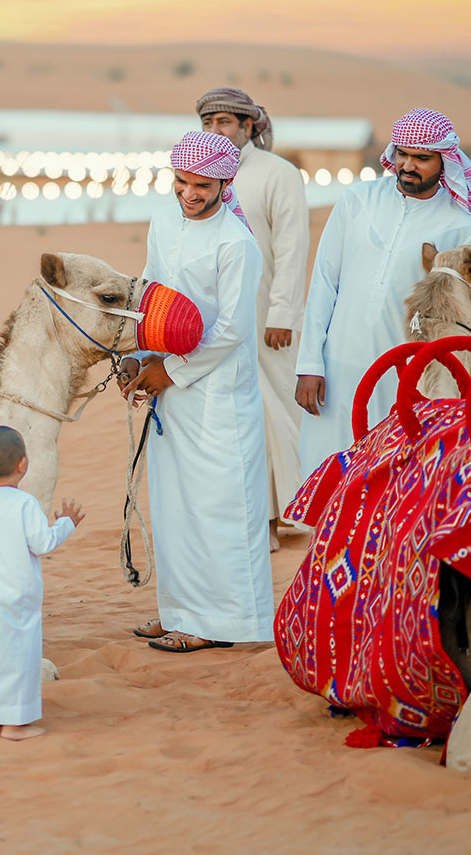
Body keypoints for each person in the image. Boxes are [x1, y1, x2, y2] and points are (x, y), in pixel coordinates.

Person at [294, 108, 471, 475]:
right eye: (402, 154)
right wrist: (309, 364)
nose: (408, 165)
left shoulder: (458, 225)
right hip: (336, 368)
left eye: (422, 158)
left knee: (388, 480)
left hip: (404, 377)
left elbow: (470, 315)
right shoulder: (357, 201)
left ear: (445, 162)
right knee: (327, 479)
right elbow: (323, 284)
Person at [122, 130, 273, 653]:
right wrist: (139, 357)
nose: (190, 193)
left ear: (225, 182)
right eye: (182, 182)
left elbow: (231, 330)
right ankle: (180, 612)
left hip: (217, 394)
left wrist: (174, 372)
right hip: (170, 381)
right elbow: (149, 288)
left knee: (218, 506)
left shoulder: (237, 242)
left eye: (203, 185)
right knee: (172, 503)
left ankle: (223, 624)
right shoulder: (163, 219)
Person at [197, 87, 310, 549]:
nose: (215, 131)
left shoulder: (277, 174)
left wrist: (282, 313)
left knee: (274, 414)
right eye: (207, 123)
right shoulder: (198, 175)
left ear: (249, 126)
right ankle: (254, 522)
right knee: (236, 415)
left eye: (224, 122)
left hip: (267, 317)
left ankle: (288, 512)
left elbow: (292, 248)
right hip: (215, 316)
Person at [0, 425, 82, 741]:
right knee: (16, 657)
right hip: (13, 598)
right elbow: (42, 543)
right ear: (23, 465)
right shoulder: (24, 504)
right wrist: (66, 523)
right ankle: (13, 724)